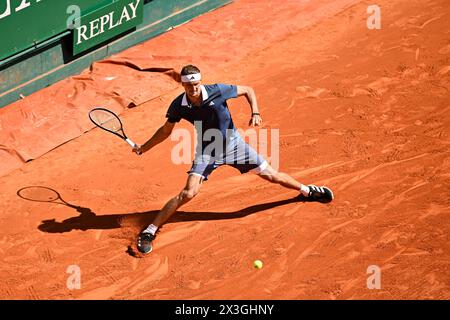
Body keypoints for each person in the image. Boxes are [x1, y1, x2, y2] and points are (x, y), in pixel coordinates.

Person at [132, 65, 334, 254]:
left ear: (200, 82)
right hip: (207, 150)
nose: (193, 88)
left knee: (272, 176)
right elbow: (166, 130)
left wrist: (255, 112)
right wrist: (144, 147)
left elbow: (248, 90)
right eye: (189, 85)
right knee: (188, 193)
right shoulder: (179, 105)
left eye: (196, 84)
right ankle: (150, 230)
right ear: (182, 85)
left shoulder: (217, 90)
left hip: (234, 145)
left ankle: (307, 191)